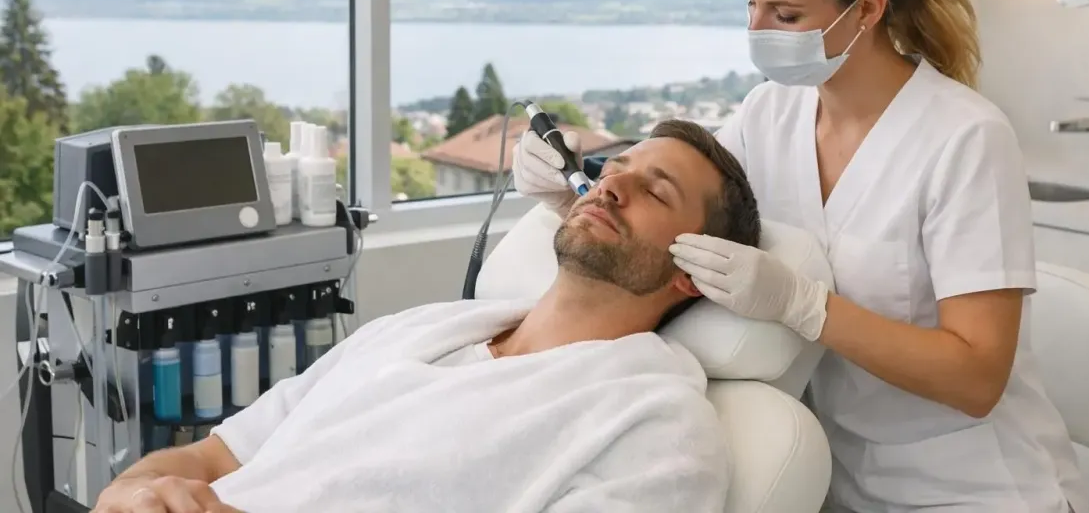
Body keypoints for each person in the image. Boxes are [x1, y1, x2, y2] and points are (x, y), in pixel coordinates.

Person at [513, 0, 1089, 512]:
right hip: (835, 481)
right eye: (751, 6)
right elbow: (681, 223)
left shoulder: (965, 139)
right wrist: (573, 197)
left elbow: (977, 377)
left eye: (786, 16)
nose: (759, 30)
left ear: (868, 9)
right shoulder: (770, 112)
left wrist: (805, 306)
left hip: (972, 486)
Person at [93, 119, 759, 513]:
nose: (611, 184)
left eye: (654, 191)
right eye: (615, 166)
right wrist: (130, 492)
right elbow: (211, 454)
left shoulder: (654, 424)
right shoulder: (413, 332)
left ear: (692, 268)